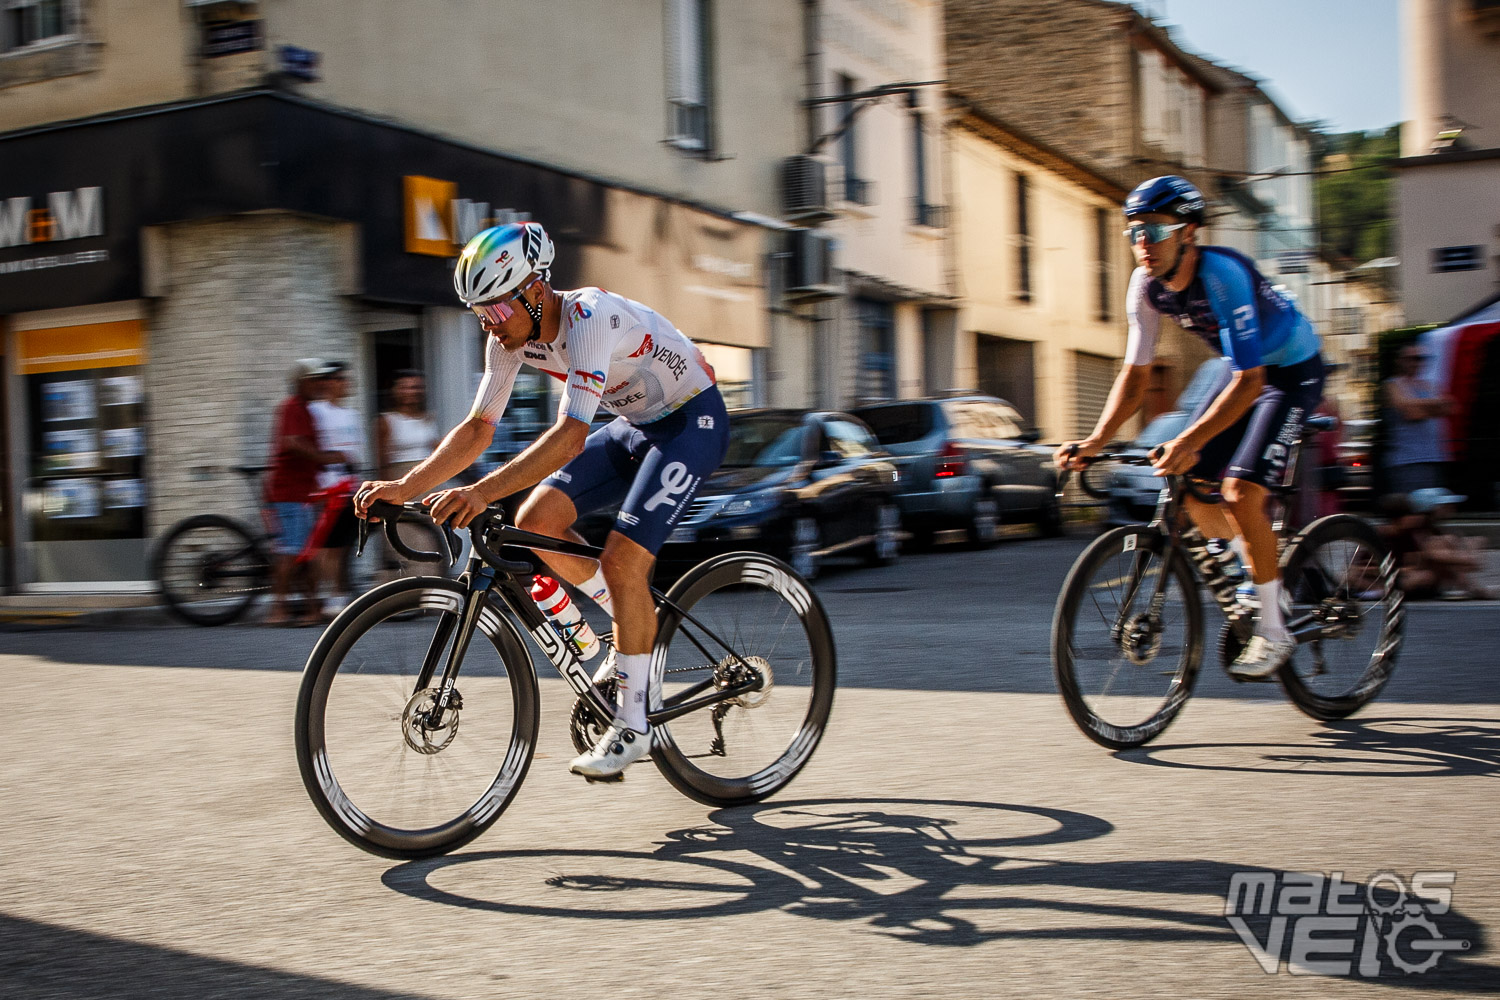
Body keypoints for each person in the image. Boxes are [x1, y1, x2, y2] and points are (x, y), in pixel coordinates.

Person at [354, 221, 729, 778]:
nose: (490, 323)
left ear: (534, 289)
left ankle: (633, 725)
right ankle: (627, 624)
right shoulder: (510, 337)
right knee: (539, 519)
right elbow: (479, 426)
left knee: (624, 560)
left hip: (691, 421)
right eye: (480, 314)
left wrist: (480, 492)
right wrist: (407, 487)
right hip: (635, 424)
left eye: (497, 310)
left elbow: (571, 435)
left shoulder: (588, 317)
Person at [1056, 176, 1326, 679]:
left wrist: (1186, 438)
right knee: (1193, 482)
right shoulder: (1146, 286)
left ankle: (1273, 630)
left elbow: (1251, 383)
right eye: (1134, 232)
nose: (1143, 244)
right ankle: (1252, 571)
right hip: (1241, 371)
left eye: (1155, 231)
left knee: (1240, 490)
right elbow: (1135, 375)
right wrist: (1096, 439)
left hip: (1289, 373)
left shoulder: (1223, 276)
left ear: (1188, 233)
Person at [266, 358, 348, 626]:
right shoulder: (292, 407)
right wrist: (325, 458)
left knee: (300, 551)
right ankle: (284, 610)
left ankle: (306, 608)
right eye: (316, 380)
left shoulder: (306, 409)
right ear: (302, 382)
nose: (322, 384)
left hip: (300, 491)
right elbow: (291, 443)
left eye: (324, 379)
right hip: (290, 492)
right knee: (295, 553)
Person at [374, 370, 440, 580]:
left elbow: (438, 449)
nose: (411, 392)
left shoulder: (428, 418)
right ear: (395, 391)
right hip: (401, 478)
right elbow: (382, 460)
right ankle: (411, 585)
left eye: (416, 387)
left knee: (433, 531)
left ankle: (434, 580)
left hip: (429, 478)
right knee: (409, 532)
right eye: (406, 387)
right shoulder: (386, 420)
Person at [309, 361, 364, 612]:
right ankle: (328, 594)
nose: (345, 384)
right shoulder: (316, 411)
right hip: (326, 484)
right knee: (327, 544)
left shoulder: (351, 414)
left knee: (342, 544)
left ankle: (337, 592)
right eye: (340, 379)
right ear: (328, 382)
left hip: (348, 484)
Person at [1381, 489, 1491, 600]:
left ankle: (1476, 591)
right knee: (1424, 576)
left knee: (1433, 572)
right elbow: (1465, 562)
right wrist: (1471, 550)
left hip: (1412, 576)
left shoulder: (1428, 532)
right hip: (1396, 578)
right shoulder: (1393, 533)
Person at [1383, 342, 1452, 496]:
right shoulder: (1392, 385)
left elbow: (1448, 407)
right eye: (1411, 358)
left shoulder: (1427, 385)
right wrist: (1434, 406)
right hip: (1408, 462)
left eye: (1420, 358)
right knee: (1412, 514)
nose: (1416, 362)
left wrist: (1417, 406)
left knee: (1433, 510)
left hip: (1433, 458)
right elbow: (1410, 413)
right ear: (1399, 360)